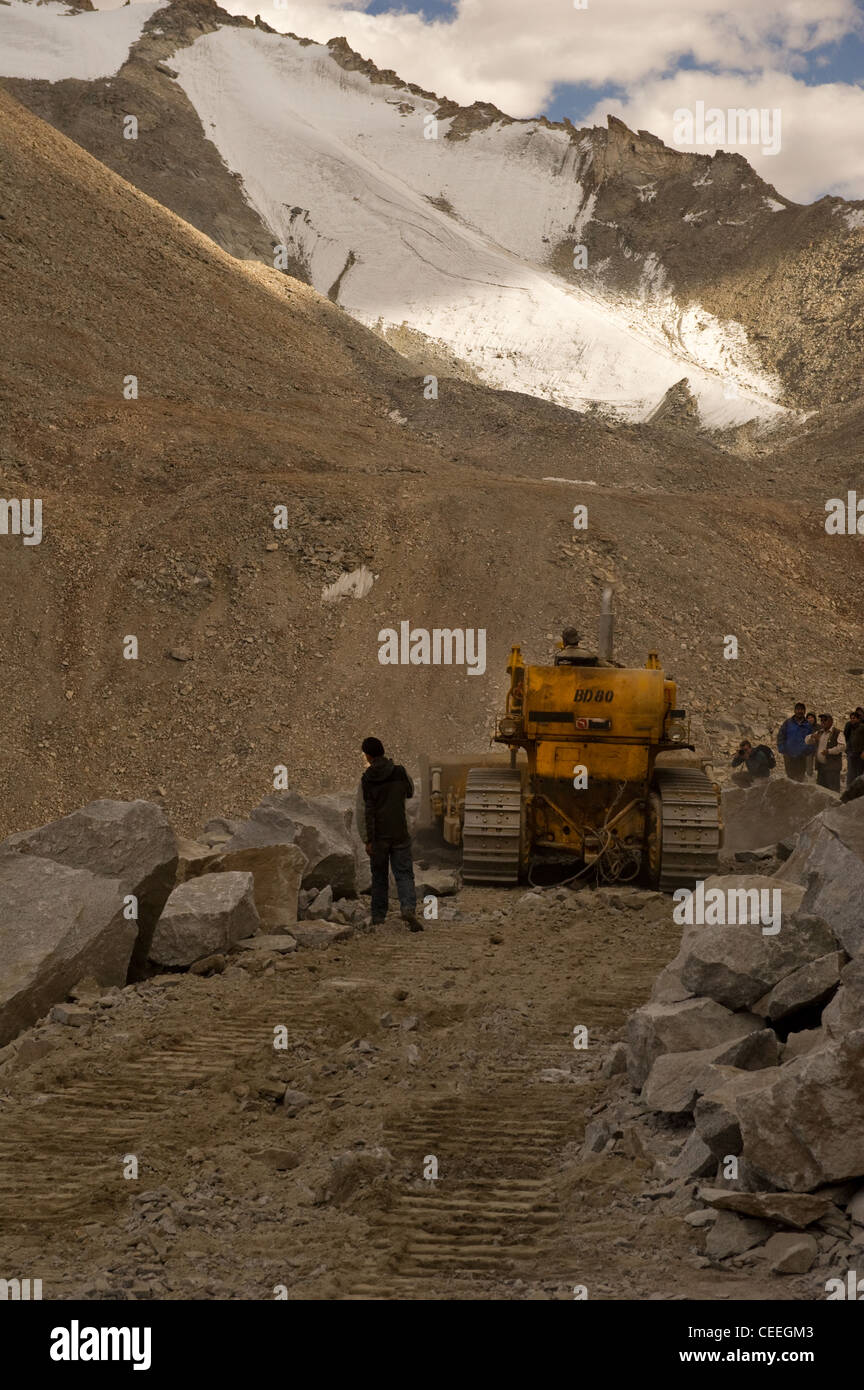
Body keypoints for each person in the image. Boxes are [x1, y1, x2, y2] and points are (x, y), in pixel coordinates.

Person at [355, 736, 421, 930]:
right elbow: (410, 792)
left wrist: (366, 839)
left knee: (379, 876)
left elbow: (361, 811)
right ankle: (408, 907)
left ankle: (378, 916)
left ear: (367, 755)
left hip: (378, 837)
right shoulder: (400, 772)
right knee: (404, 874)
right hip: (400, 832)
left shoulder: (366, 780)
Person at [806, 713, 845, 792]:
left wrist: (829, 751)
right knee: (821, 791)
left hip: (832, 769)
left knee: (833, 790)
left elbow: (842, 746)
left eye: (825, 720)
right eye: (822, 720)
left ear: (831, 721)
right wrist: (812, 736)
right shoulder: (820, 732)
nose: (823, 722)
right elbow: (807, 741)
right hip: (821, 768)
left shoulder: (837, 732)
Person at [776, 703, 811, 782]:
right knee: (790, 778)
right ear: (794, 711)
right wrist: (782, 748)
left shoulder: (808, 725)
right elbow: (781, 735)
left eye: (802, 709)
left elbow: (812, 740)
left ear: (805, 711)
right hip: (789, 755)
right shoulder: (788, 723)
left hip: (801, 756)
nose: (800, 711)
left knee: (800, 778)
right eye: (798, 709)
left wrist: (807, 751)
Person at [846, 710, 864, 788]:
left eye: (854, 718)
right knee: (851, 774)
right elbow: (849, 740)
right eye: (851, 718)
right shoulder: (852, 728)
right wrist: (848, 751)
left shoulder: (862, 727)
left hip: (860, 755)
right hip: (852, 754)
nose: (852, 720)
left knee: (859, 774)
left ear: (858, 719)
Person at [804, 711, 818, 778]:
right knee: (808, 765)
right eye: (808, 718)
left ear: (814, 718)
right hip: (808, 749)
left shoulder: (819, 727)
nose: (810, 719)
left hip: (817, 748)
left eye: (811, 717)